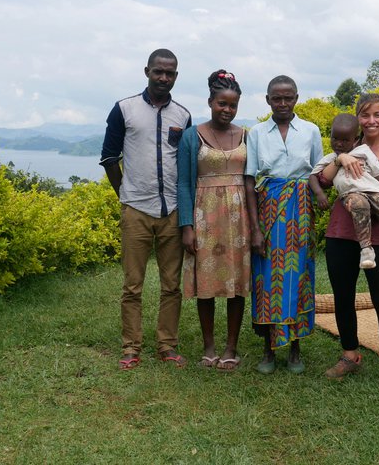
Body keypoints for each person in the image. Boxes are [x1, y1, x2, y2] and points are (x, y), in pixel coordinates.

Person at [100, 48, 192, 371]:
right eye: (158, 72)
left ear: (176, 77)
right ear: (147, 72)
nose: (163, 78)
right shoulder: (124, 110)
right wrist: (124, 193)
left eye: (169, 73)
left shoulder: (182, 116)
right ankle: (131, 347)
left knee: (172, 285)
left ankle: (167, 345)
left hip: (172, 212)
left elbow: (185, 162)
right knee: (132, 285)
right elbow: (110, 158)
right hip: (136, 209)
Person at [319, 94, 379, 392]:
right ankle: (350, 354)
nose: (371, 121)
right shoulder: (343, 147)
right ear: (357, 120)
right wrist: (339, 158)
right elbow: (321, 181)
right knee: (342, 298)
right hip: (340, 235)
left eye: (377, 115)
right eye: (365, 115)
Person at [244, 75, 323, 374]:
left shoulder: (311, 131)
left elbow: (317, 172)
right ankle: (267, 349)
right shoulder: (257, 133)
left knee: (299, 276)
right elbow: (250, 180)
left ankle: (295, 348)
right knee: (266, 279)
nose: (282, 103)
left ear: (296, 98)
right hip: (268, 209)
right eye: (276, 98)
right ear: (267, 100)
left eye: (288, 97)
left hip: (301, 211)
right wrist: (255, 228)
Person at [177, 69, 249, 372]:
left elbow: (251, 179)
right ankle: (209, 346)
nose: (227, 110)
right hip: (204, 216)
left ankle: (231, 346)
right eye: (222, 103)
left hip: (239, 217)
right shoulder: (191, 136)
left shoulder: (247, 135)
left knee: (237, 284)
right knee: (204, 283)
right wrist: (187, 226)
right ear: (210, 101)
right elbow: (183, 183)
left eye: (232, 105)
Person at [309, 113, 379, 277]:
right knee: (359, 205)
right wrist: (320, 194)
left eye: (345, 140)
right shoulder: (330, 158)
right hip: (351, 194)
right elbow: (313, 176)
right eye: (335, 138)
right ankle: (366, 249)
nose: (339, 144)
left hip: (374, 191)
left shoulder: (363, 151)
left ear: (355, 138)